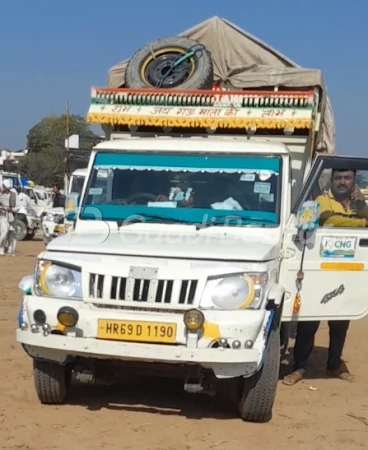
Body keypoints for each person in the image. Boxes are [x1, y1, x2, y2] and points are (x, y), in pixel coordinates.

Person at [282, 168, 367, 386]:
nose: (342, 182)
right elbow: (329, 220)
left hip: (348, 271)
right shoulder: (320, 201)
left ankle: (334, 365)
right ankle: (299, 368)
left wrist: (362, 210)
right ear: (331, 180)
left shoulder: (361, 205)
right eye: (338, 178)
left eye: (347, 178)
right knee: (308, 322)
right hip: (319, 269)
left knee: (341, 322)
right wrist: (361, 222)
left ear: (353, 181)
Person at [0, 179, 19, 256]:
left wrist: (10, 209)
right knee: (4, 232)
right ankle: (1, 248)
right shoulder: (1, 195)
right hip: (3, 216)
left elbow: (18, 207)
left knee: (12, 234)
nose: (2, 187)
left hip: (12, 216)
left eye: (3, 186)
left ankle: (10, 251)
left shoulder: (14, 195)